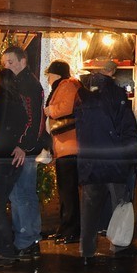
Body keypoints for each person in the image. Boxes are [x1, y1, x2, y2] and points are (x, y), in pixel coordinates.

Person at [75, 58, 137, 261]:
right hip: (114, 158)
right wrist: (134, 157)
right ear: (112, 73)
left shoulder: (81, 95)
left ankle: (86, 250)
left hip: (90, 159)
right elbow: (127, 128)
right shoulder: (116, 94)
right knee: (119, 202)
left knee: (89, 207)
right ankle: (119, 244)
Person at [0, 46, 46, 268]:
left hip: (24, 153)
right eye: (4, 63)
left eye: (10, 62)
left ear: (23, 61)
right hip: (22, 150)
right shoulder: (19, 85)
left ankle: (26, 241)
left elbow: (35, 119)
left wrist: (23, 145)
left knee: (22, 196)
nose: (6, 66)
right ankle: (28, 241)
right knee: (23, 195)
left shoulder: (28, 85)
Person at [43, 60, 82, 244]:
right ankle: (65, 228)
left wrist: (49, 110)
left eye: (49, 75)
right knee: (65, 192)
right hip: (64, 147)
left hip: (70, 147)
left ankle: (72, 231)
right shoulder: (64, 86)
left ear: (56, 74)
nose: (48, 79)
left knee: (69, 192)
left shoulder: (67, 85)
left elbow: (64, 109)